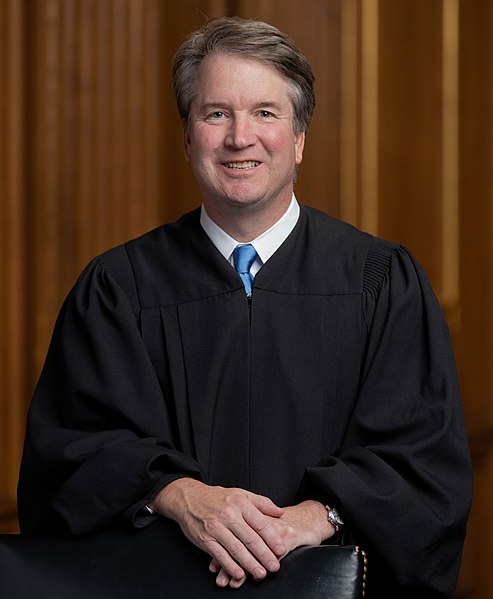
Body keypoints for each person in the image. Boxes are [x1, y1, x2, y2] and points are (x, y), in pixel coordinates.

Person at [17, 16, 472, 597]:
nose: (239, 137)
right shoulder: (118, 289)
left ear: (300, 138)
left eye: (265, 112)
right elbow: (67, 459)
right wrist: (180, 496)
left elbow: (425, 466)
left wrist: (316, 517)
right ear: (187, 138)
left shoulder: (380, 282)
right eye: (215, 113)